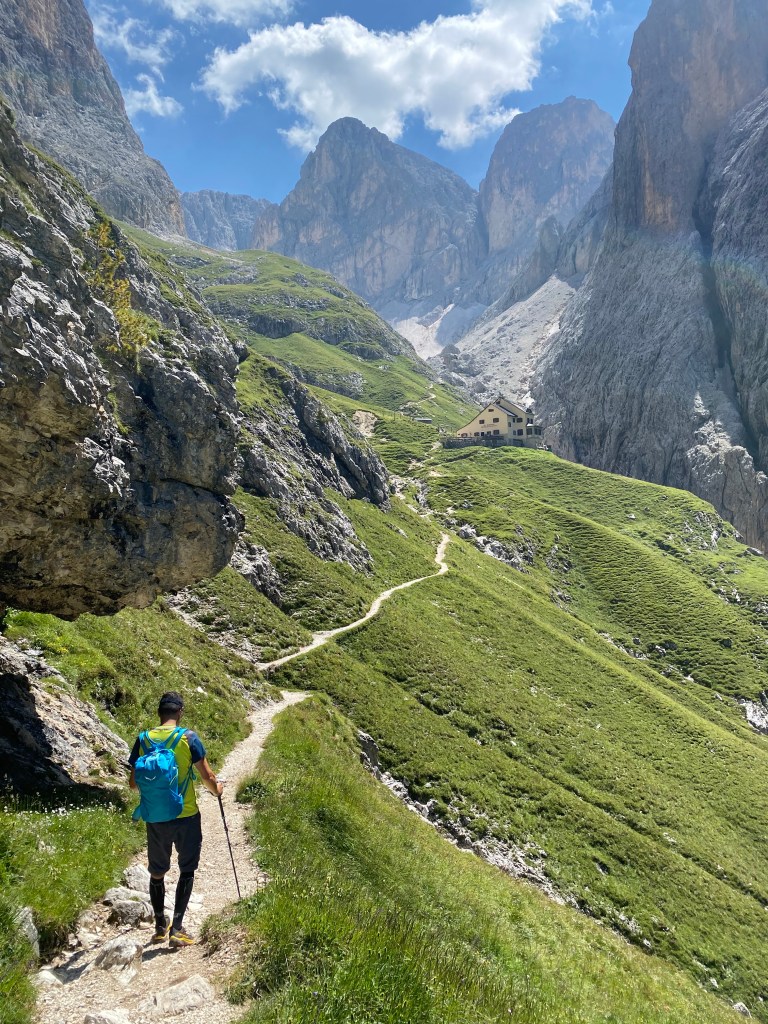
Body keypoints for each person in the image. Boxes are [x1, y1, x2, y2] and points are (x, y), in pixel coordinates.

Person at [128, 691, 223, 947]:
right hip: (186, 815)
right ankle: (177, 928)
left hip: (156, 816)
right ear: (180, 712)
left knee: (157, 872)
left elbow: (133, 784)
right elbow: (207, 776)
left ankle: (160, 926)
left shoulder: (143, 739)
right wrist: (218, 790)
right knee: (187, 869)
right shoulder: (188, 738)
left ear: (159, 713)